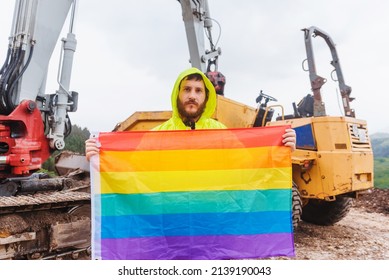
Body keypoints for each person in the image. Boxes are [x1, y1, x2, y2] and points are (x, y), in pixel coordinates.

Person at [85, 67, 296, 160]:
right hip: (170, 223)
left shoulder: (221, 134)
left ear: (207, 97)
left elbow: (251, 161)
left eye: (198, 91)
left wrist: (282, 147)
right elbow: (127, 165)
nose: (192, 96)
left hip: (210, 224)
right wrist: (98, 154)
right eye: (187, 89)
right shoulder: (158, 135)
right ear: (177, 94)